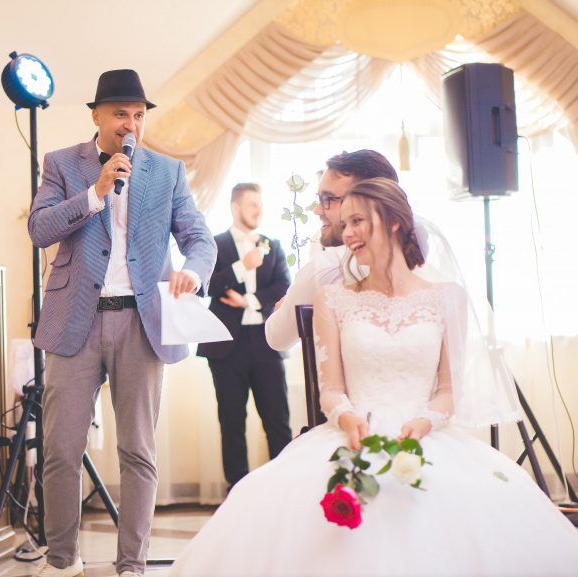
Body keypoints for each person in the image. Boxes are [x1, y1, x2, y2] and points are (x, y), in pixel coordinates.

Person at [169, 178, 578, 577]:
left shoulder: (447, 298)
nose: (347, 233)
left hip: (426, 433)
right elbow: (331, 389)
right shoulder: (332, 299)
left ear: (394, 221)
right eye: (344, 223)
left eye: (357, 221)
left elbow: (448, 391)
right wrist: (348, 418)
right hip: (350, 431)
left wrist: (424, 423)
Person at [28, 69, 216, 577]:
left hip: (141, 321)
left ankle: (131, 564)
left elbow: (199, 238)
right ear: (96, 116)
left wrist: (195, 272)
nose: (130, 124)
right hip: (75, 321)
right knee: (60, 450)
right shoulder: (61, 164)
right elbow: (40, 229)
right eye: (120, 114)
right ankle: (62, 560)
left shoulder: (167, 172)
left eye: (137, 115)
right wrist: (96, 192)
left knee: (138, 451)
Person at [197, 183, 292, 489]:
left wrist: (248, 301)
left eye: (261, 204)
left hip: (267, 342)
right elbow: (205, 285)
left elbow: (284, 286)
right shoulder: (214, 244)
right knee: (232, 421)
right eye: (252, 204)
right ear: (235, 207)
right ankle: (237, 492)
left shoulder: (272, 244)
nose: (259, 210)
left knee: (277, 419)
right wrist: (242, 267)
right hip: (226, 346)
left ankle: (284, 488)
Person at [265, 149, 399, 352]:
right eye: (319, 199)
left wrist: (282, 308)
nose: (317, 210)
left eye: (328, 199)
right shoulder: (417, 254)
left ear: (370, 202)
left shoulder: (325, 267)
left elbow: (277, 338)